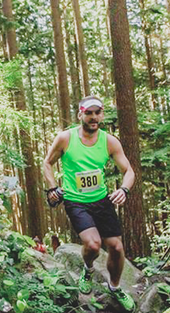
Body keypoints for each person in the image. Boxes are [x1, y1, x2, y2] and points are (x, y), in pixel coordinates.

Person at [42, 96, 136, 312]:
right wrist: (53, 187)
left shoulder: (110, 141)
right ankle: (87, 268)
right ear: (80, 115)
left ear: (102, 114)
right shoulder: (66, 138)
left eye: (97, 112)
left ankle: (114, 287)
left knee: (116, 247)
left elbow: (129, 171)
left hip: (102, 201)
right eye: (89, 113)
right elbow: (47, 162)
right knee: (93, 244)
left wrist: (124, 189)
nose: (93, 117)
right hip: (76, 201)